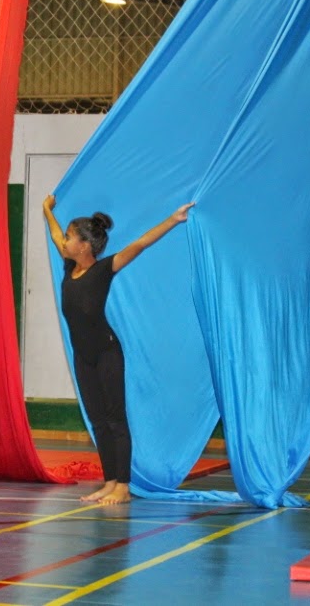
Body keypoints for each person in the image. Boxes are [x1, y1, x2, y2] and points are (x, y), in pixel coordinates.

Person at [43, 194, 193, 505]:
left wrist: (173, 219)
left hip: (106, 353)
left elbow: (140, 244)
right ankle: (109, 482)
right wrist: (46, 209)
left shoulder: (103, 270)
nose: (65, 242)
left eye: (70, 237)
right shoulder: (69, 265)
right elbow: (55, 235)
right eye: (67, 237)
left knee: (115, 420)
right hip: (83, 357)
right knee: (97, 421)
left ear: (85, 245)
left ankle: (123, 487)